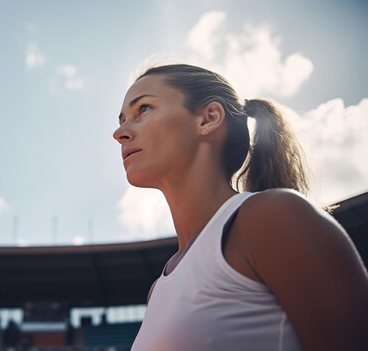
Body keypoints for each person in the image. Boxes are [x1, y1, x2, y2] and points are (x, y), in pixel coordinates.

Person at [113, 63, 368, 351]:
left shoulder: (273, 218)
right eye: (122, 119)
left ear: (208, 118)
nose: (119, 132)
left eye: (143, 109)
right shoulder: (158, 290)